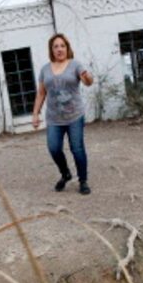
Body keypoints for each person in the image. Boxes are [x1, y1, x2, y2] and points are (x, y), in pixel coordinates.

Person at [32, 33, 94, 195]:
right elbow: (41, 93)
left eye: (62, 46)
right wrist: (35, 114)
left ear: (67, 48)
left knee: (77, 148)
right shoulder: (45, 69)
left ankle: (83, 181)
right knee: (53, 148)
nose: (59, 49)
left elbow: (88, 82)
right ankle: (65, 173)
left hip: (74, 116)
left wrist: (87, 77)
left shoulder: (75, 65)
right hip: (54, 118)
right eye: (56, 46)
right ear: (51, 50)